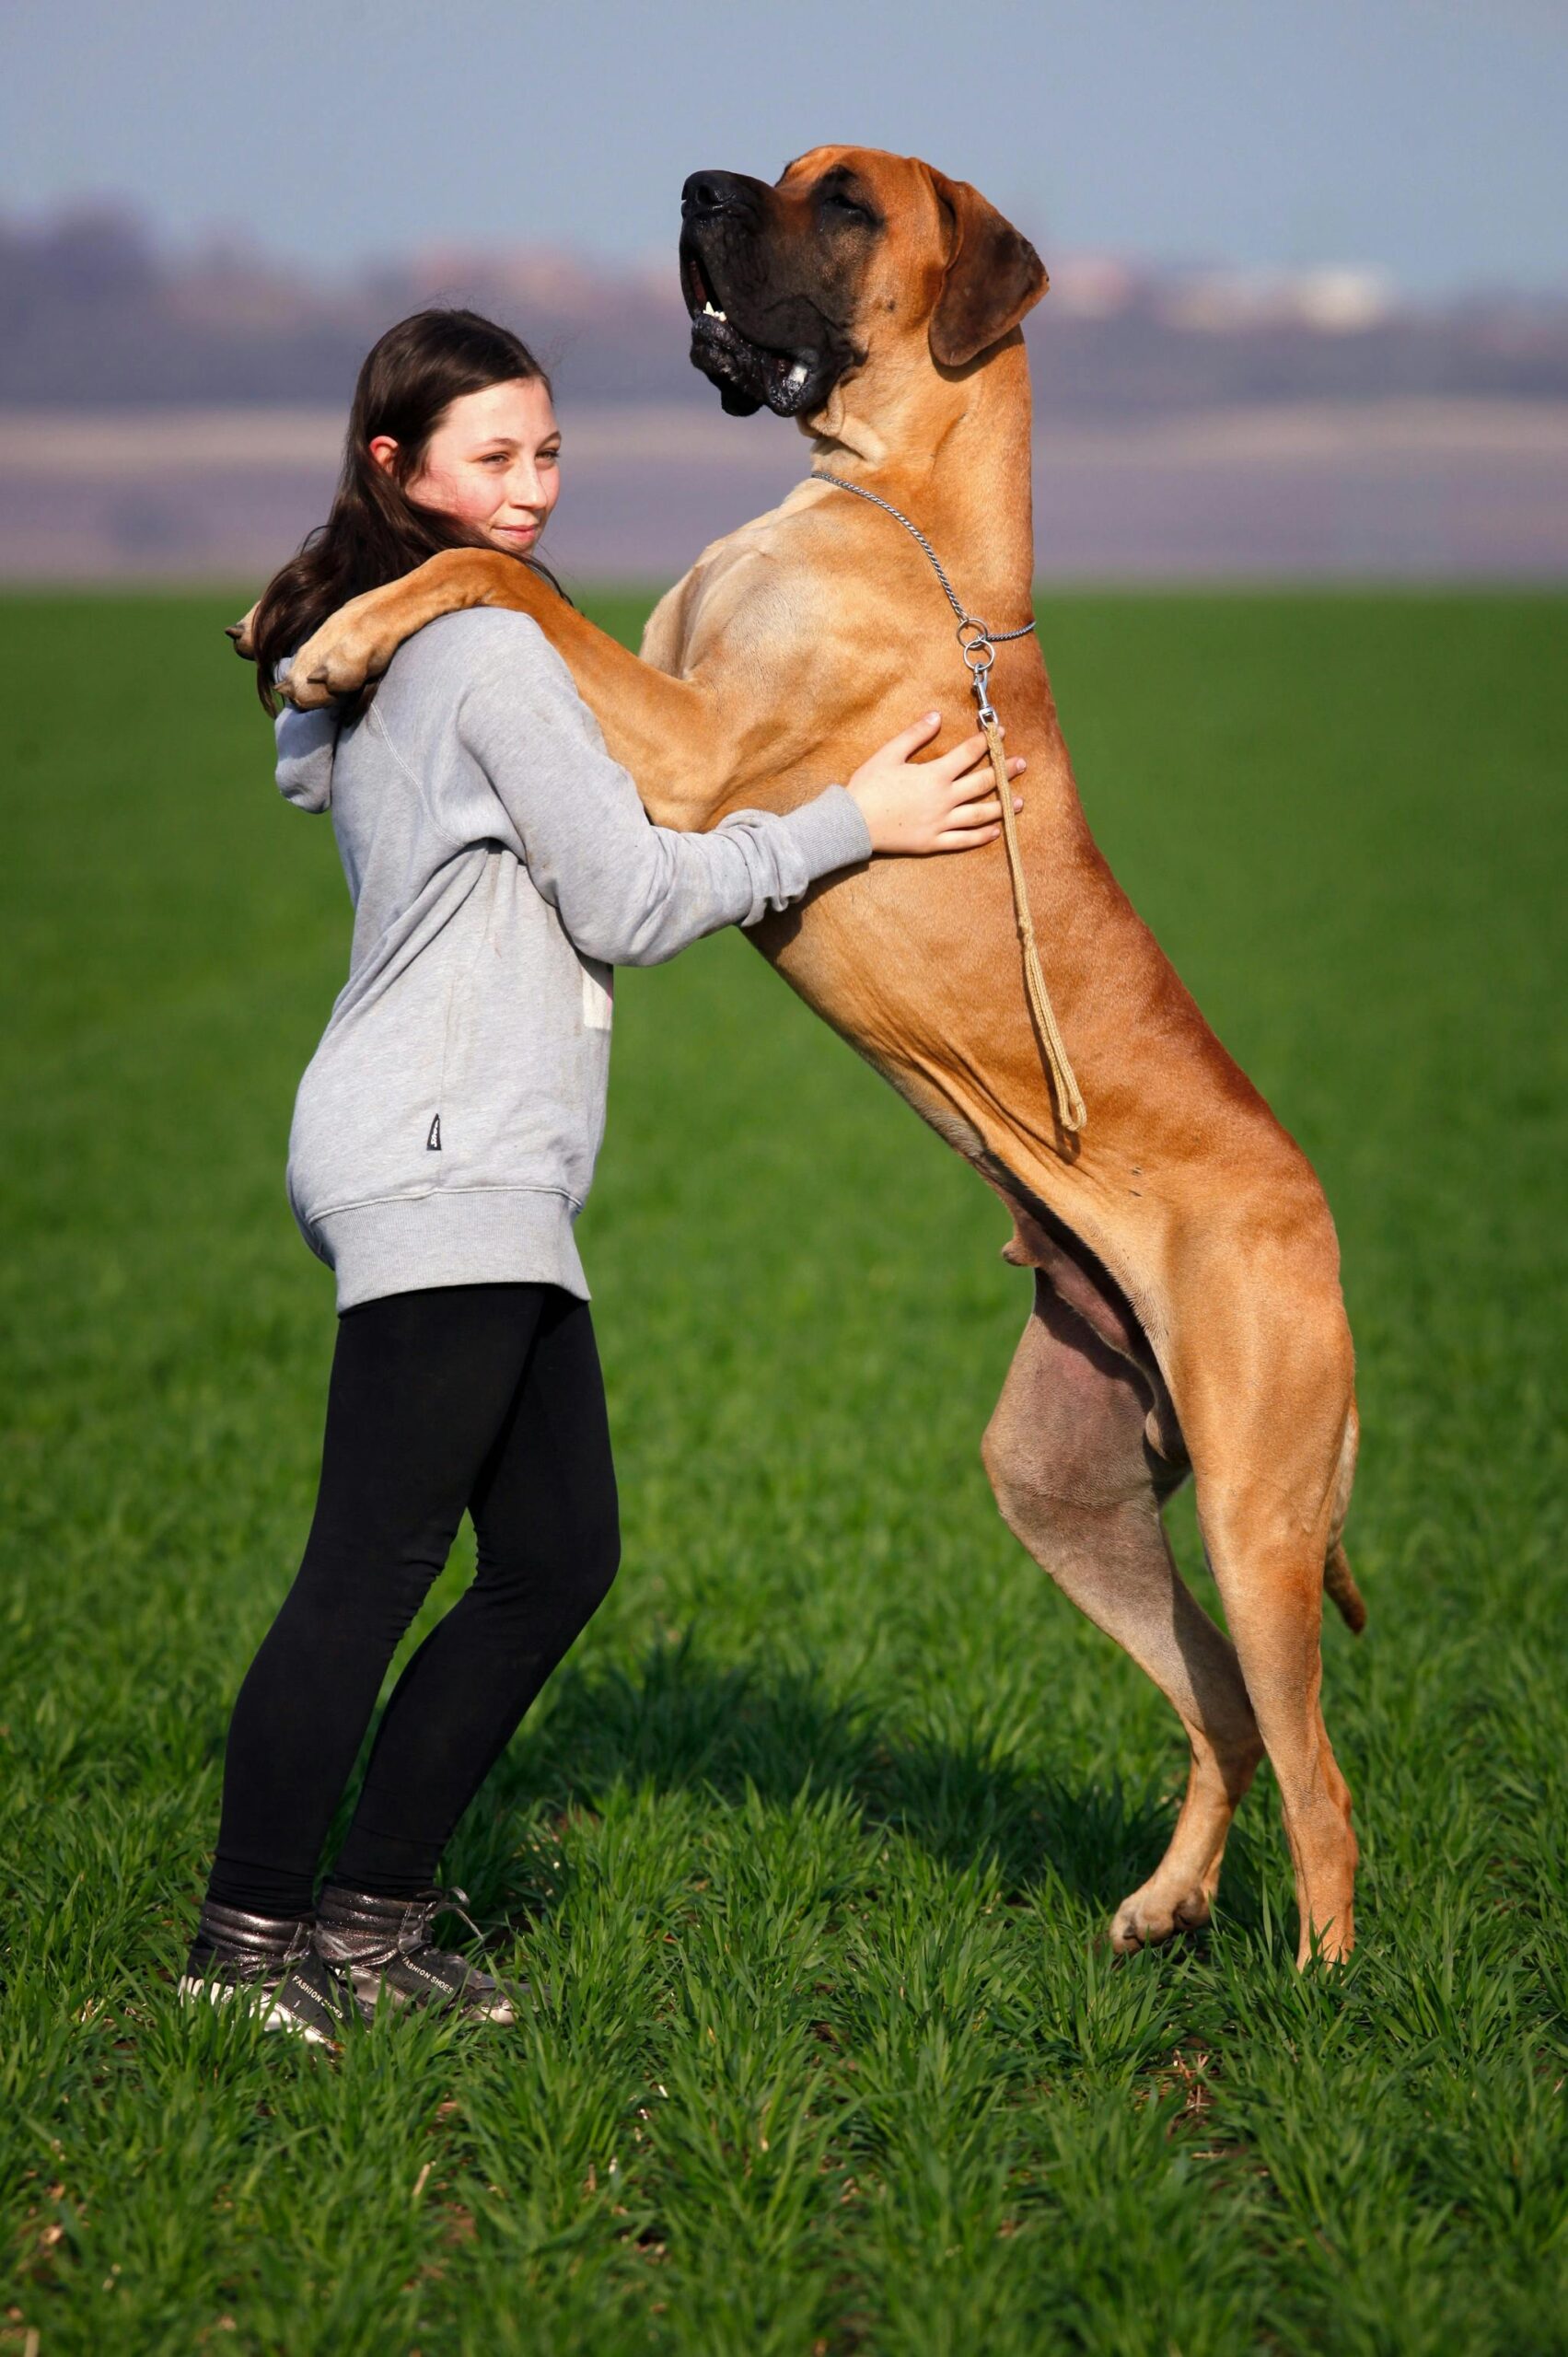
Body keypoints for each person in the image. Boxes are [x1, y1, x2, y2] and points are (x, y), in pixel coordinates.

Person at [183, 308, 1025, 2042]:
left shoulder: (397, 648)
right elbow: (629, 901)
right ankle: (240, 1955)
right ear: (396, 471)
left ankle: (371, 1919)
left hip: (467, 1157)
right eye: (492, 458)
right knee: (371, 1565)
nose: (533, 492)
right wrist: (856, 821)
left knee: (559, 1556)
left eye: (548, 451)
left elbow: (307, 739)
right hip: (445, 1151)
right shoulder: (488, 658)